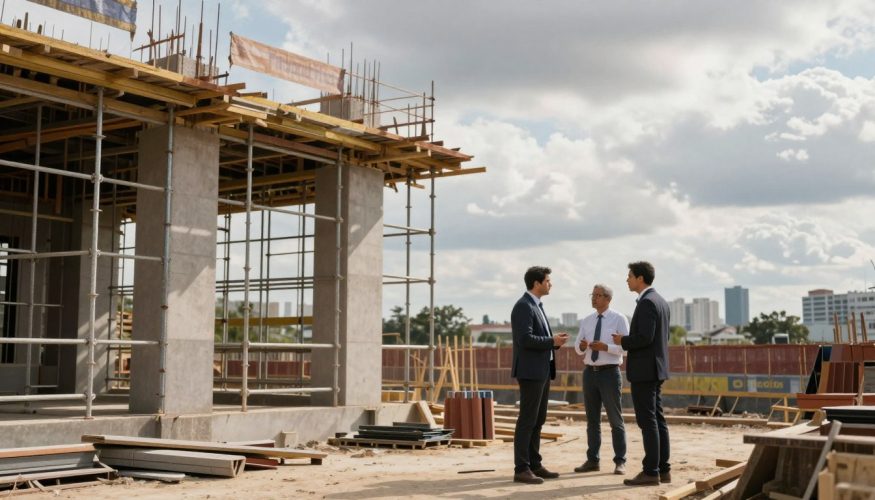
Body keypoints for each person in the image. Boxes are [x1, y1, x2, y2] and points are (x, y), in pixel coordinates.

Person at [611, 261, 671, 486]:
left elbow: (645, 337)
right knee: (657, 419)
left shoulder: (647, 303)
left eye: (629, 276)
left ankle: (651, 471)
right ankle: (663, 469)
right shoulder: (660, 301)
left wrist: (622, 340)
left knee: (648, 422)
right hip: (656, 368)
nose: (627, 280)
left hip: (645, 371)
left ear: (640, 278)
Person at [510, 266, 569, 485]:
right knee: (527, 420)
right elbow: (525, 339)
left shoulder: (537, 305)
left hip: (542, 370)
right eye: (548, 281)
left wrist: (554, 342)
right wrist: (552, 341)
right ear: (537, 283)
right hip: (530, 371)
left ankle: (534, 464)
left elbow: (537, 338)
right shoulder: (523, 306)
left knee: (538, 419)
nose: (550, 284)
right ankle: (521, 468)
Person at [573, 284, 629, 476]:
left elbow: (627, 348)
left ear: (608, 299)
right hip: (590, 373)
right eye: (593, 295)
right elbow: (578, 348)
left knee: (615, 419)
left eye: (598, 295)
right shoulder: (587, 320)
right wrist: (582, 347)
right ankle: (592, 460)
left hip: (609, 373)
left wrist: (606, 348)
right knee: (592, 420)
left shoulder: (619, 319)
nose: (594, 298)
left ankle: (620, 461)